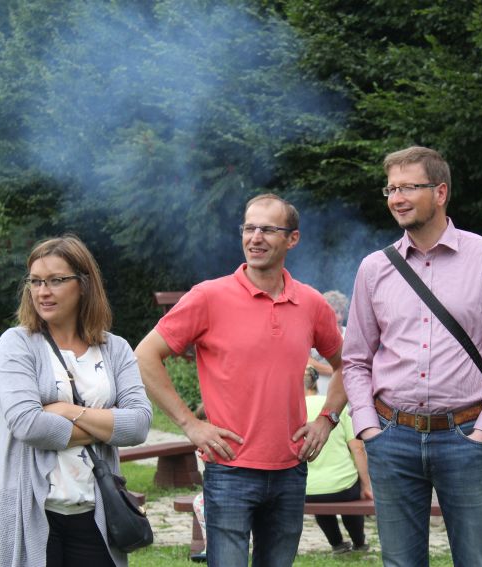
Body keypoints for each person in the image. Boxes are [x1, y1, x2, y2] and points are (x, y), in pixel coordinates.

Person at [134, 193, 348, 567]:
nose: (256, 237)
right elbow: (144, 356)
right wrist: (191, 424)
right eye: (249, 228)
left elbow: (349, 364)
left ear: (292, 239)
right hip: (229, 468)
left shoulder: (312, 303)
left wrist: (327, 419)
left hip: (291, 468)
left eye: (268, 229)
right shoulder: (209, 296)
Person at [342, 146, 482, 567]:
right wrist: (368, 426)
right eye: (391, 189)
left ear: (440, 192)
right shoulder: (374, 268)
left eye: (408, 187)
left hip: (467, 435)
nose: (397, 198)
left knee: (478, 561)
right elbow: (354, 359)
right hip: (392, 436)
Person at [0, 235, 153, 567]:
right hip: (28, 512)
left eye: (56, 280)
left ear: (83, 284)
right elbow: (29, 425)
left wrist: (68, 410)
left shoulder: (115, 349)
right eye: (36, 281)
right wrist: (107, 424)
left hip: (96, 513)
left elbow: (139, 424)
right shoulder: (16, 344)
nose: (43, 291)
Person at [303, 367, 372, 555]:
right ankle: (359, 542)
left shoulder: (294, 409)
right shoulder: (336, 409)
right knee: (349, 490)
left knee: (320, 495)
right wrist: (366, 485)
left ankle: (337, 543)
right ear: (317, 383)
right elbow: (357, 448)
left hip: (308, 489)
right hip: (343, 486)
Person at [307, 290, 349, 395]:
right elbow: (306, 361)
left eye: (342, 312)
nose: (340, 317)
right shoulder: (313, 334)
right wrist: (337, 370)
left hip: (343, 393)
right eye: (336, 312)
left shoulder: (351, 334)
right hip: (317, 392)